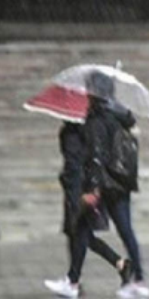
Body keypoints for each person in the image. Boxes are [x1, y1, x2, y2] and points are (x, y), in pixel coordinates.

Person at [44, 72, 149, 299]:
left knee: (82, 228)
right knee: (124, 230)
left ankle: (73, 282)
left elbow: (96, 156)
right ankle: (138, 279)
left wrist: (92, 188)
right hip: (121, 181)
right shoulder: (120, 115)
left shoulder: (96, 119)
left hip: (103, 183)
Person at [57, 121, 132, 288]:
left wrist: (89, 190)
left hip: (82, 189)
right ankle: (119, 263)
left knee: (79, 232)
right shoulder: (76, 130)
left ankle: (73, 280)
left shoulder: (80, 132)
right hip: (80, 188)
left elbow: (83, 162)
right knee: (79, 233)